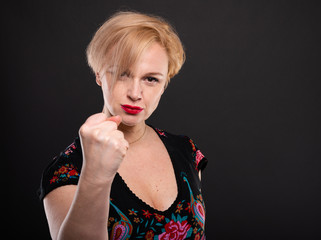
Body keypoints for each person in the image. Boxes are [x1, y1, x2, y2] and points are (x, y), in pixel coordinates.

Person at [38, 11, 208, 240]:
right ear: (99, 74)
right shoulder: (66, 170)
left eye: (151, 79)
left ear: (165, 83)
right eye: (122, 74)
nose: (135, 94)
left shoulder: (186, 151)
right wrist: (95, 173)